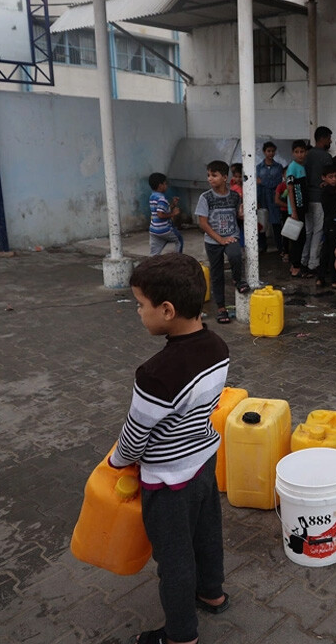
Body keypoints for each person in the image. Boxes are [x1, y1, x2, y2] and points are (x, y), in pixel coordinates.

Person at [109, 253, 231, 644]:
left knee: (174, 558)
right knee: (208, 532)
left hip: (166, 480)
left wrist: (117, 461)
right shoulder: (218, 346)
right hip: (204, 463)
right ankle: (212, 593)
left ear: (166, 310)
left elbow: (135, 435)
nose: (138, 313)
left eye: (140, 305)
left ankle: (180, 636)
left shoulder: (155, 375)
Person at [196, 160, 250, 324]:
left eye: (214, 175)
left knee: (235, 255)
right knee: (217, 274)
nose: (210, 179)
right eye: (208, 176)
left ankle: (237, 279)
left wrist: (242, 214)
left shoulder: (234, 196)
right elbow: (203, 223)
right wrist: (220, 239)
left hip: (231, 236)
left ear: (225, 177)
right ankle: (221, 309)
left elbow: (237, 216)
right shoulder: (205, 197)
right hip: (213, 241)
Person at [302, 126, 334, 276]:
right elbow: (330, 176)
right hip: (320, 197)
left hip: (307, 197)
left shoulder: (307, 155)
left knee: (308, 231)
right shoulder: (325, 157)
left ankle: (304, 260)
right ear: (322, 138)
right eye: (329, 138)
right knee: (318, 231)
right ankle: (313, 264)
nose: (330, 141)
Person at [284, 139, 309, 277]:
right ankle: (295, 267)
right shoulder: (292, 168)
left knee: (301, 237)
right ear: (293, 153)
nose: (300, 154)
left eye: (302, 151)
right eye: (297, 152)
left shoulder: (302, 167)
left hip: (301, 206)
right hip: (296, 208)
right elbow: (290, 189)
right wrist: (293, 210)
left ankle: (296, 265)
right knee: (297, 238)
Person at [317, 163, 336, 288]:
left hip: (328, 223)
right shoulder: (329, 189)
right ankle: (334, 280)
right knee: (334, 252)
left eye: (335, 176)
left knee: (326, 251)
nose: (333, 179)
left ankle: (320, 278)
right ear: (324, 177)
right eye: (330, 177)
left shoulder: (325, 189)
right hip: (333, 223)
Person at [255, 141, 284, 256]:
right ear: (264, 152)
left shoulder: (278, 167)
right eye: (268, 151)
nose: (270, 153)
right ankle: (262, 246)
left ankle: (280, 246)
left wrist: (263, 182)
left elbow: (277, 183)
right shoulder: (259, 167)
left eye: (272, 151)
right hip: (262, 198)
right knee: (261, 223)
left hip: (274, 198)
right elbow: (257, 184)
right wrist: (256, 200)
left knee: (276, 223)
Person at [147, 172, 183, 256]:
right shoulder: (162, 198)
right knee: (179, 240)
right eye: (165, 183)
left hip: (153, 230)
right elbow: (160, 215)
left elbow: (163, 210)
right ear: (160, 186)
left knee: (154, 254)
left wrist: (173, 204)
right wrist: (173, 214)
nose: (166, 186)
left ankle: (151, 266)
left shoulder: (152, 197)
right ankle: (179, 260)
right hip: (164, 229)